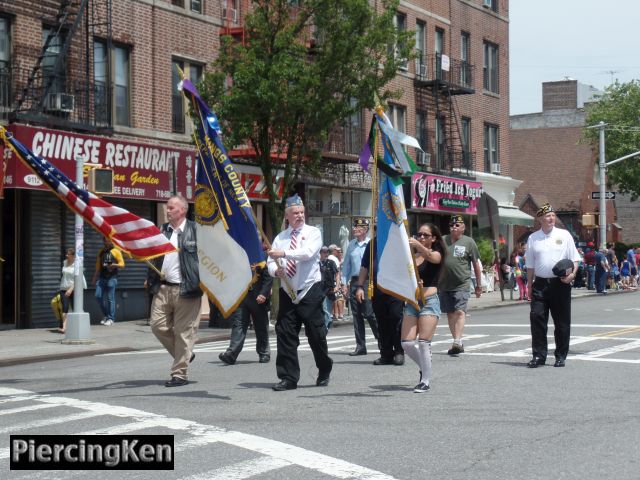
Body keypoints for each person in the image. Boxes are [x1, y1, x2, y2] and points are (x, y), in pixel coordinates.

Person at [267, 194, 333, 391]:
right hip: (288, 290)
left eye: (302, 212)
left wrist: (285, 254)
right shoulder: (280, 238)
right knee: (285, 335)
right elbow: (271, 260)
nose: (300, 216)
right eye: (295, 213)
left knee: (316, 334)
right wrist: (274, 270)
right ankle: (288, 377)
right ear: (287, 215)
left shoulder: (313, 232)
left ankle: (324, 368)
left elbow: (308, 253)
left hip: (309, 290)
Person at [147, 195, 202, 387]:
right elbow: (153, 256)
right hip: (163, 288)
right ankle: (186, 354)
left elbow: (209, 261)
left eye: (171, 208)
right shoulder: (161, 230)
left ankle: (179, 374)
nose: (167, 210)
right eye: (167, 208)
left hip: (187, 290)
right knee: (157, 325)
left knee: (183, 333)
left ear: (183, 210)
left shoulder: (196, 231)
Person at [525, 203, 581, 368]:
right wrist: (529, 285)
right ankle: (539, 356)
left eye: (553, 215)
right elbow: (530, 264)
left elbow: (575, 259)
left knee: (562, 322)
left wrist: (572, 274)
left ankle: (560, 356)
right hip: (540, 284)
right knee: (537, 319)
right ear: (540, 219)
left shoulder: (564, 235)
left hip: (560, 284)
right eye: (547, 216)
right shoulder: (533, 238)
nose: (551, 218)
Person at [400, 223, 446, 392]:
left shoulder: (436, 254)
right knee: (406, 343)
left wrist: (417, 245)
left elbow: (432, 257)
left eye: (426, 235)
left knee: (424, 342)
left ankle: (425, 380)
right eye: (419, 234)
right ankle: (424, 365)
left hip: (429, 302)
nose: (421, 237)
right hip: (412, 302)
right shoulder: (411, 256)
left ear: (433, 238)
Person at [355, 234, 405, 366]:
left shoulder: (399, 239)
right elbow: (365, 266)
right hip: (378, 287)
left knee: (396, 317)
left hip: (396, 288)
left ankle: (399, 351)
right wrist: (360, 286)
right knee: (382, 321)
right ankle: (386, 354)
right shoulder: (373, 243)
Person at [219, 248, 273, 365]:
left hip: (258, 297)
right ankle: (231, 354)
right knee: (238, 324)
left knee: (261, 326)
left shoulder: (262, 256)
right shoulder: (237, 255)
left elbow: (268, 277)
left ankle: (264, 353)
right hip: (242, 297)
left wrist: (263, 293)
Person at [439, 214, 482, 355]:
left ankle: (456, 341)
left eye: (457, 225)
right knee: (450, 314)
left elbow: (476, 264)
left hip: (462, 283)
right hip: (444, 284)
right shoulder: (443, 240)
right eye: (452, 225)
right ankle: (458, 341)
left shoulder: (469, 242)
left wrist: (478, 285)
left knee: (459, 311)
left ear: (463, 228)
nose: (454, 227)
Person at [341, 217, 379, 356]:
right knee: (356, 315)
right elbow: (346, 265)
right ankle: (360, 346)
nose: (354, 229)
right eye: (354, 227)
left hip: (369, 280)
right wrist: (344, 283)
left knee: (369, 313)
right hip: (355, 280)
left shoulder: (371, 243)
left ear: (364, 230)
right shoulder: (351, 244)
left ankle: (381, 340)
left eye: (357, 228)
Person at [92, 236, 125, 326]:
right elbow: (98, 265)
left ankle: (111, 318)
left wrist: (113, 265)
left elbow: (122, 264)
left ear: (112, 241)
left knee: (111, 298)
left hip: (112, 277)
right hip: (102, 277)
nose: (107, 242)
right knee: (98, 296)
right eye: (105, 241)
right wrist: (95, 277)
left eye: (109, 241)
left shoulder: (116, 251)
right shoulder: (101, 251)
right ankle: (106, 315)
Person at [57, 248, 86, 334]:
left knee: (76, 308)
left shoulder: (77, 265)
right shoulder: (65, 262)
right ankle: (64, 328)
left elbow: (77, 279)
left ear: (73, 256)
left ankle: (79, 327)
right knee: (65, 307)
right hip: (63, 288)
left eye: (68, 254)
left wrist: (70, 289)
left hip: (75, 289)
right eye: (66, 254)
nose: (66, 255)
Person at [319, 246, 339, 331]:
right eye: (323, 252)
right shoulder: (316, 263)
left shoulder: (331, 263)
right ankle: (326, 323)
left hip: (329, 289)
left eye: (327, 252)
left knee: (326, 308)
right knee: (321, 309)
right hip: (318, 289)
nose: (325, 254)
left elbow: (337, 273)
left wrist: (337, 285)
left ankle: (327, 324)